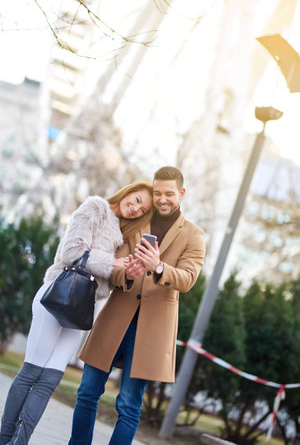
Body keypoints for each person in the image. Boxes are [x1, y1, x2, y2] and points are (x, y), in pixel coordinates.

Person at [0, 181, 153, 445]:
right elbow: (72, 252)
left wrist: (124, 271)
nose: (136, 208)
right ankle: (4, 437)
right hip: (57, 295)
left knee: (50, 379)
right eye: (137, 199)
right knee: (32, 370)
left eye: (142, 209)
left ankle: (20, 441)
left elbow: (105, 284)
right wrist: (111, 263)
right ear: (128, 191)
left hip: (82, 308)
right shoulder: (96, 207)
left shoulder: (124, 235)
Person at [68, 166, 206, 445]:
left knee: (129, 405)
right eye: (157, 193)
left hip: (153, 330)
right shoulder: (137, 222)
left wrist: (158, 266)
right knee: (87, 392)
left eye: (169, 194)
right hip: (116, 316)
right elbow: (114, 267)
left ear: (181, 193)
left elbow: (188, 279)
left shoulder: (194, 235)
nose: (162, 199)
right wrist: (126, 274)